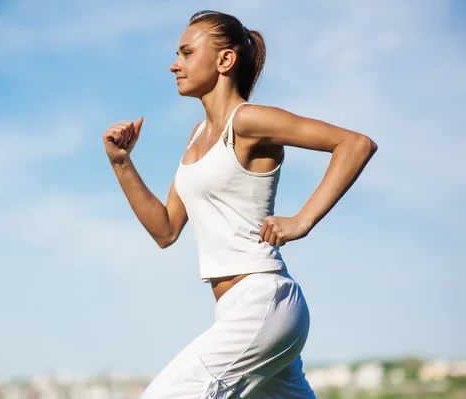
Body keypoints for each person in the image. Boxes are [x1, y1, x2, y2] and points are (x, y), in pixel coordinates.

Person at [102, 9, 377, 399]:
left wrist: (303, 220)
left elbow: (354, 144)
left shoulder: (247, 121)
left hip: (263, 301)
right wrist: (121, 162)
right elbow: (164, 230)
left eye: (185, 53)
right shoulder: (196, 138)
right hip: (236, 310)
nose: (173, 65)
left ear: (224, 60)